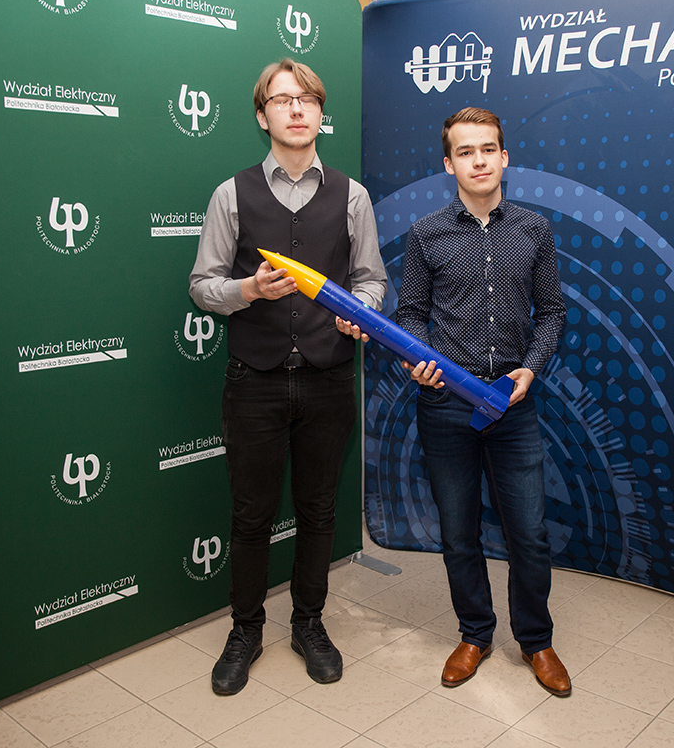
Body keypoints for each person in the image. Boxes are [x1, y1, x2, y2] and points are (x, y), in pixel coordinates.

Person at [189, 58, 386, 695]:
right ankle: (245, 630)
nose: (296, 108)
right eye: (282, 99)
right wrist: (247, 289)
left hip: (329, 380)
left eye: (307, 98)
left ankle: (308, 624)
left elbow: (371, 280)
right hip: (255, 381)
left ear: (321, 113)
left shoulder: (352, 196)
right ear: (262, 115)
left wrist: (363, 314)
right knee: (251, 516)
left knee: (319, 511)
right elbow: (202, 285)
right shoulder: (231, 194)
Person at [394, 107, 570, 696]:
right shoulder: (426, 234)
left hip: (511, 404)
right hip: (446, 404)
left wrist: (531, 367)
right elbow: (410, 314)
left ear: (504, 157)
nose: (478, 161)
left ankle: (536, 641)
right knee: (458, 532)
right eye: (465, 152)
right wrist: (417, 359)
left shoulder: (534, 230)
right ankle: (475, 634)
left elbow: (552, 312)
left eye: (488, 149)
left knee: (530, 535)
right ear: (449, 164)